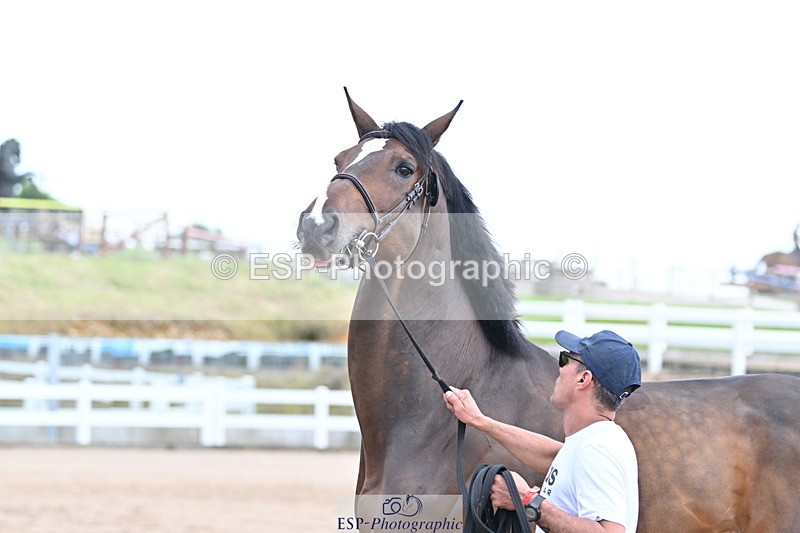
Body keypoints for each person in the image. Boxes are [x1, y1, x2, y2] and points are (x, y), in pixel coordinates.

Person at [443, 330, 642, 532]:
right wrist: (479, 421)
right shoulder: (596, 440)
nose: (560, 368)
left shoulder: (596, 450)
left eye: (565, 359)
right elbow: (554, 456)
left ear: (583, 379)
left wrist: (527, 500)